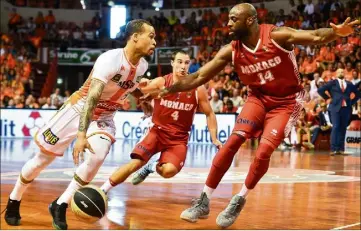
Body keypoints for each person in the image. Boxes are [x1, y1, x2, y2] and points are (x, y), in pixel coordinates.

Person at [158, 3, 360, 228]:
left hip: (287, 101)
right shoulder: (231, 50)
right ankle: (203, 201)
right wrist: (168, 88)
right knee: (232, 141)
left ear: (250, 20)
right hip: (257, 98)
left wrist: (336, 32)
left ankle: (239, 199)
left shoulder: (277, 36)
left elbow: (315, 36)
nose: (228, 23)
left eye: (234, 19)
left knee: (263, 150)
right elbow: (197, 78)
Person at [4, 19, 156, 230]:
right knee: (40, 161)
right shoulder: (110, 59)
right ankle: (14, 199)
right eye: (151, 35)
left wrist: (142, 97)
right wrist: (82, 135)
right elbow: (92, 99)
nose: (154, 41)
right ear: (135, 37)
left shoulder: (143, 67)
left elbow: (128, 85)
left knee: (98, 155)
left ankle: (60, 204)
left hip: (105, 117)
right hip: (78, 109)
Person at [99, 50, 222, 194]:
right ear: (172, 63)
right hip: (156, 132)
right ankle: (103, 190)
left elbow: (210, 114)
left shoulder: (197, 89)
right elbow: (137, 91)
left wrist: (215, 138)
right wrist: (139, 83)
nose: (183, 66)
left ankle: (151, 167)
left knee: (168, 171)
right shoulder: (161, 82)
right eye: (179, 62)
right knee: (136, 163)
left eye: (186, 63)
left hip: (178, 139)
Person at [318, 68, 361, 155]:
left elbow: (358, 94)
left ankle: (341, 149)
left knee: (343, 128)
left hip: (346, 108)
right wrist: (327, 98)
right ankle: (333, 149)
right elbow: (320, 90)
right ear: (336, 74)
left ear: (344, 73)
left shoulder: (349, 84)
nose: (341, 73)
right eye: (339, 72)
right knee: (336, 127)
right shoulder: (332, 83)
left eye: (342, 71)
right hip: (335, 108)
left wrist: (351, 102)